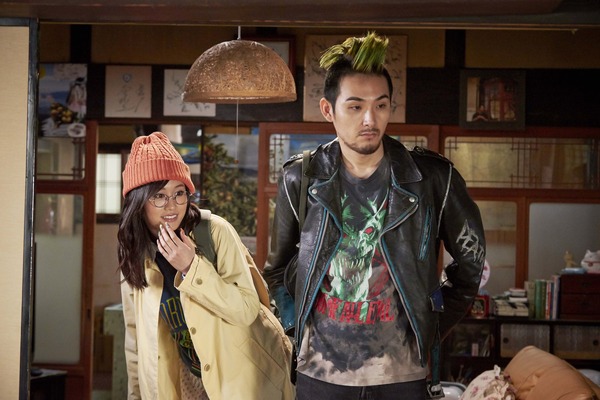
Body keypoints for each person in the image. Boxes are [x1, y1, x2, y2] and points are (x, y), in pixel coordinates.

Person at [263, 32, 486, 400]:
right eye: (355, 107)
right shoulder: (301, 178)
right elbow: (276, 270)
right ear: (328, 110)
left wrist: (428, 326)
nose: (370, 118)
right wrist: (295, 329)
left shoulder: (431, 178)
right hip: (320, 373)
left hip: (402, 374)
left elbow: (471, 263)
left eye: (381, 105)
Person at [118, 131, 295, 400]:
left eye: (179, 193)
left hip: (242, 381)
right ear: (138, 202)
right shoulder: (134, 252)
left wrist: (191, 267)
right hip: (185, 382)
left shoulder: (214, 232)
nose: (172, 206)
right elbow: (135, 340)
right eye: (159, 196)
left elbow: (246, 310)